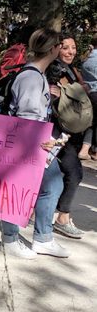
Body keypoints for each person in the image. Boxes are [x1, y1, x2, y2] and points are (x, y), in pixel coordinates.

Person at [0, 28, 70, 259]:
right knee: (26, 188)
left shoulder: (34, 74)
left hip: (32, 142)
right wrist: (42, 142)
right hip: (29, 144)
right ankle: (20, 238)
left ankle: (40, 237)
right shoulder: (31, 77)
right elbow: (28, 116)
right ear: (53, 49)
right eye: (60, 45)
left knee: (50, 185)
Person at [47, 34, 88, 239]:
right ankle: (62, 218)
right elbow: (57, 98)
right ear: (56, 49)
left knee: (56, 173)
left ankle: (55, 214)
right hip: (60, 132)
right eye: (65, 48)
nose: (70, 51)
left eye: (73, 47)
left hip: (69, 131)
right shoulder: (56, 70)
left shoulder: (71, 70)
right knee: (74, 173)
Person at [81, 32, 97, 160]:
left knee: (91, 122)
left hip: (88, 94)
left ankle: (85, 149)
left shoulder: (88, 58)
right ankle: (95, 151)